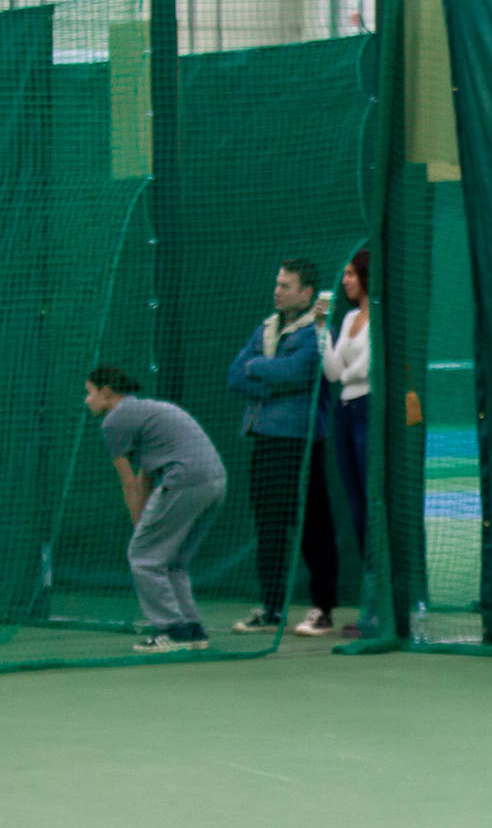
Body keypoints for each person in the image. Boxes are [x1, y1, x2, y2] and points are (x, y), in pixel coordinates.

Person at [225, 258, 341, 635]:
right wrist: (268, 376)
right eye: (277, 284)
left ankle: (323, 608)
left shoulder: (316, 334)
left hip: (300, 446)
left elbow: (298, 373)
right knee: (269, 526)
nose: (277, 291)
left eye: (286, 286)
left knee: (312, 525)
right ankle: (271, 608)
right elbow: (235, 375)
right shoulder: (266, 328)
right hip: (263, 441)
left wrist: (258, 368)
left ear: (307, 294)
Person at [83, 366, 227, 654]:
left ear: (106, 392)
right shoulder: (149, 409)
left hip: (185, 480)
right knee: (171, 560)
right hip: (216, 481)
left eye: (89, 393)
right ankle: (192, 629)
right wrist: (144, 524)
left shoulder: (114, 421)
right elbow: (145, 477)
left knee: (143, 558)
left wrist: (142, 530)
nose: (86, 400)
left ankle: (172, 630)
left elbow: (128, 483)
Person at [321, 250, 374, 637]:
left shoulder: (380, 317)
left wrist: (349, 376)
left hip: (369, 410)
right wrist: (321, 332)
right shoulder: (347, 318)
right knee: (357, 511)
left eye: (352, 274)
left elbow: (365, 368)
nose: (345, 281)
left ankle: (382, 610)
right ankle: (370, 608)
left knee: (373, 509)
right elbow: (336, 371)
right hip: (344, 415)